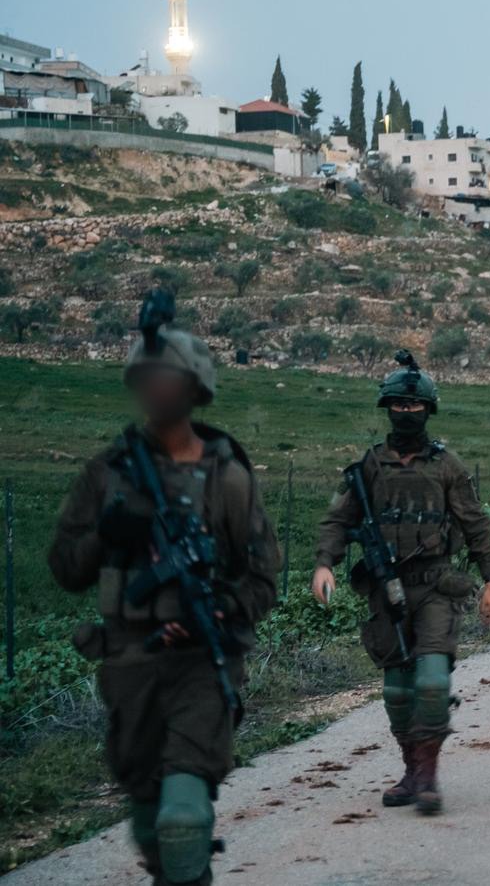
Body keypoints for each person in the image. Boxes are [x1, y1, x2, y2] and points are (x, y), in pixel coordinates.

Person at [49, 293, 280, 886]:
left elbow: (262, 576)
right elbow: (65, 568)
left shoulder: (228, 478)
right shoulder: (107, 474)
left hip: (205, 662)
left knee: (182, 818)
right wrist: (105, 535)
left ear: (195, 387)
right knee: (152, 826)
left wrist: (220, 610)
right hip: (130, 663)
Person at [311, 351, 490, 816]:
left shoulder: (447, 466)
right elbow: (338, 521)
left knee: (433, 683)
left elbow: (476, 525)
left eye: (415, 407)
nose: (407, 412)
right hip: (386, 591)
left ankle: (429, 777)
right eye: (399, 405)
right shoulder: (369, 467)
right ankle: (412, 768)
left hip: (437, 587)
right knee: (398, 691)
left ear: (428, 411)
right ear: (387, 409)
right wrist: (324, 564)